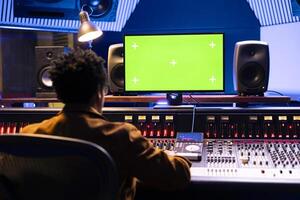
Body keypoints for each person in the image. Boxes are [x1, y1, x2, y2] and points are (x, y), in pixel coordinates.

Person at [21, 48, 191, 200]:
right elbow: (178, 176)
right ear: (100, 91)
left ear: (58, 94)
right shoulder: (121, 137)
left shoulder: (29, 135)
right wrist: (177, 156)